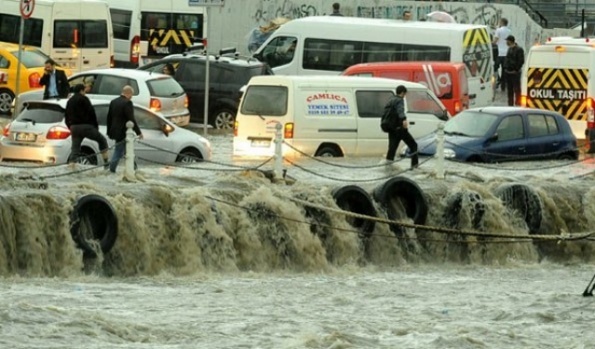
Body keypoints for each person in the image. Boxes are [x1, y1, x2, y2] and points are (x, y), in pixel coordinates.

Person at [65, 83, 109, 166]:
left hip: (74, 128)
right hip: (86, 127)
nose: (85, 91)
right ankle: (106, 162)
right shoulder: (84, 99)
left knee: (75, 149)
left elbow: (66, 116)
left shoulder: (70, 101)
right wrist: (95, 127)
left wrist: (70, 127)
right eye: (84, 90)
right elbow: (92, 113)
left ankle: (71, 166)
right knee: (102, 140)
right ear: (81, 90)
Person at [106, 85, 143, 173]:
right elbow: (131, 119)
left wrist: (109, 131)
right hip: (123, 131)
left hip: (114, 130)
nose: (131, 97)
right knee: (118, 151)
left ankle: (134, 169)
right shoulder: (127, 103)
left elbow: (109, 117)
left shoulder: (113, 101)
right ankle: (111, 169)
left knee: (127, 151)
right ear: (128, 93)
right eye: (131, 95)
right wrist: (138, 132)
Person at [382, 85, 418, 169]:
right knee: (413, 145)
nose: (405, 96)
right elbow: (400, 111)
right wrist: (404, 120)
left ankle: (388, 167)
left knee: (392, 149)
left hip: (391, 128)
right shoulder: (399, 100)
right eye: (405, 94)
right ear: (402, 93)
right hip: (399, 128)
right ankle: (415, 167)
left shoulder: (390, 100)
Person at [503, 35, 525, 106]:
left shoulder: (519, 49)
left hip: (515, 73)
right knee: (510, 90)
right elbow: (507, 59)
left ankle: (518, 103)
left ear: (510, 41)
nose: (506, 42)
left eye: (507, 41)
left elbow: (521, 61)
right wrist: (505, 68)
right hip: (508, 73)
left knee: (517, 90)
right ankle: (510, 104)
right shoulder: (509, 49)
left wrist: (516, 70)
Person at [492, 18, 512, 91]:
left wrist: (491, 43)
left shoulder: (499, 30)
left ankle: (495, 83)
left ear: (502, 22)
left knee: (494, 68)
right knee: (504, 70)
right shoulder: (509, 31)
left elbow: (495, 40)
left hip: (499, 53)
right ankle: (503, 86)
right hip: (506, 54)